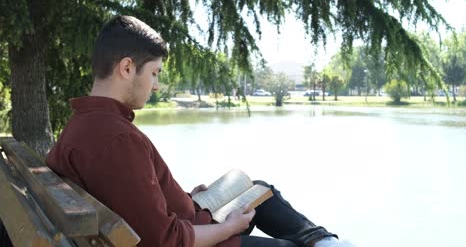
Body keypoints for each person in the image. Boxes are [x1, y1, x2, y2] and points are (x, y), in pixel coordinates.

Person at [46, 15, 346, 247]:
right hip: (198, 237)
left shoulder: (84, 124)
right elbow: (165, 241)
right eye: (154, 73)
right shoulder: (117, 138)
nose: (156, 85)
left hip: (193, 218)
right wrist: (229, 227)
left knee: (260, 190)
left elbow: (132, 199)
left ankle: (323, 240)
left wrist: (185, 197)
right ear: (127, 68)